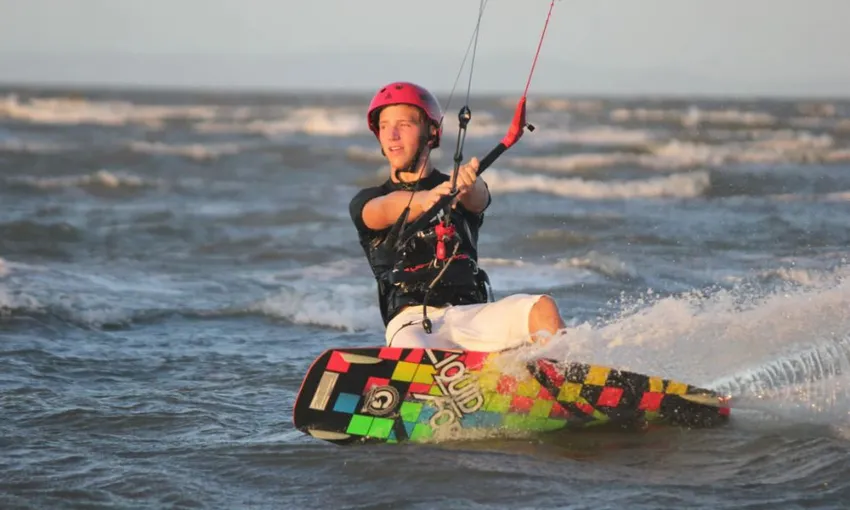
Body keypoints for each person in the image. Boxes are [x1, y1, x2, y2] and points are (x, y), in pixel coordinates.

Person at [349, 81, 566, 352]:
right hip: (412, 324)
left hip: (473, 314)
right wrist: (425, 200)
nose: (392, 135)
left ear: (431, 132)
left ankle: (565, 379)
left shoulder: (459, 189)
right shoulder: (368, 201)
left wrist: (468, 182)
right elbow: (385, 209)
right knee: (414, 352)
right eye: (383, 126)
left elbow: (479, 199)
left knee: (541, 307)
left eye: (404, 124)